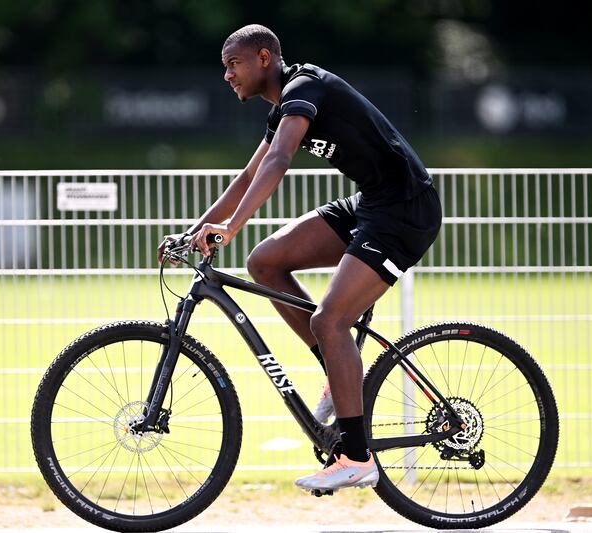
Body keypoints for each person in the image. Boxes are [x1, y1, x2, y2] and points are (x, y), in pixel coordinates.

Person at [158, 24, 441, 493]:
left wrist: (230, 228)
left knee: (329, 321)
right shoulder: (280, 111)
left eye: (234, 64)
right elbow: (249, 176)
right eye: (224, 67)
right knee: (264, 262)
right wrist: (193, 233)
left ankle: (355, 456)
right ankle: (338, 370)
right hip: (373, 203)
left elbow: (278, 162)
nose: (227, 75)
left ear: (264, 57)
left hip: (405, 210)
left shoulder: (304, 86)